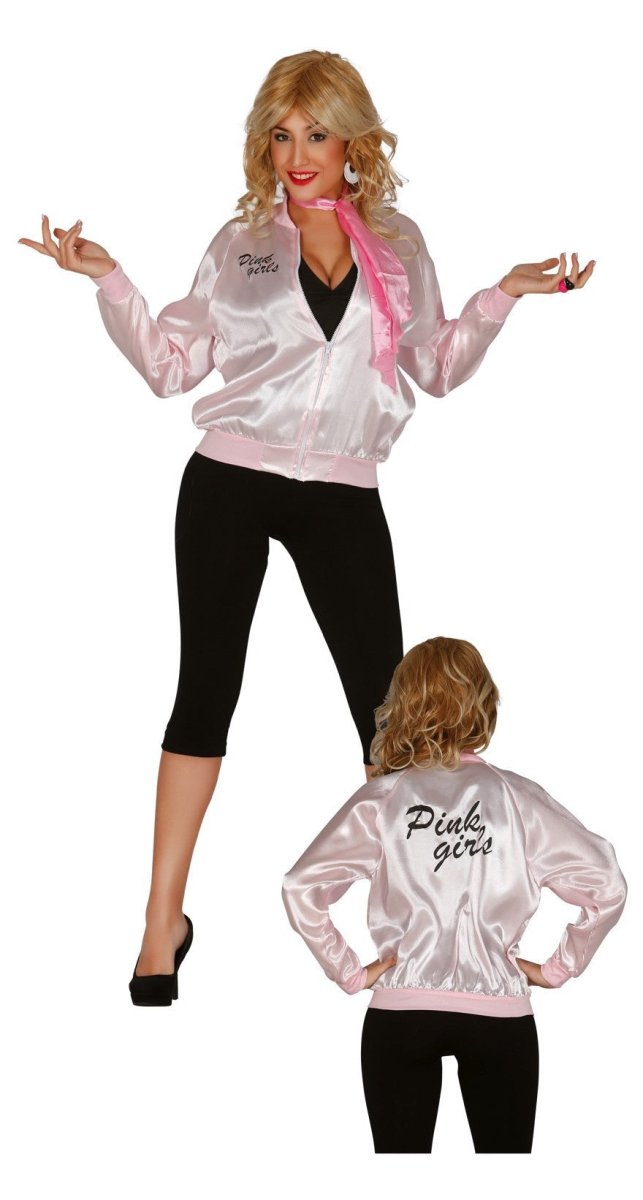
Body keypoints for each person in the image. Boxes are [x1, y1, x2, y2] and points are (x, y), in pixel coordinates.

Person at [17, 50, 595, 1006]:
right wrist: (109, 279)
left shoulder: (399, 245)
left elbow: (435, 368)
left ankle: (424, 930)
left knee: (388, 719)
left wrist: (502, 297)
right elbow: (171, 367)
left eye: (316, 134)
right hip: (228, 482)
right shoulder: (242, 242)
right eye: (281, 135)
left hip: (342, 492)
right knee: (204, 693)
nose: (296, 155)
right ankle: (161, 923)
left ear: (352, 140)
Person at [282, 637, 626, 1153]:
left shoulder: (383, 798)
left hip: (400, 1015)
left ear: (402, 704)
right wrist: (557, 968)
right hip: (500, 1018)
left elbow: (301, 885)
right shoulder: (518, 798)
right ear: (484, 703)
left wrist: (349, 971)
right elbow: (607, 884)